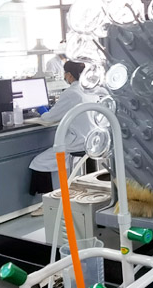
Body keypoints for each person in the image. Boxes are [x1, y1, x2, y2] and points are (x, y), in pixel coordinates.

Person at [29, 61, 105, 216]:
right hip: (94, 141)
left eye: (65, 74)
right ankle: (60, 198)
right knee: (58, 162)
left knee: (39, 161)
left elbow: (50, 117)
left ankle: (50, 203)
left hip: (77, 143)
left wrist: (41, 110)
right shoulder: (91, 89)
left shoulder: (71, 93)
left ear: (69, 75)